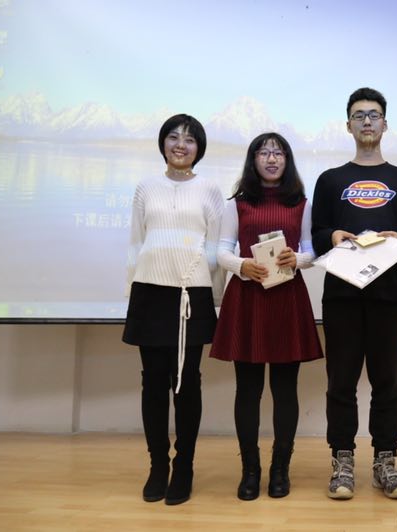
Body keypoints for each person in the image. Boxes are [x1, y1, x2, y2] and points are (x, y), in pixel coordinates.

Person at [311, 88, 397, 500]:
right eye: (359, 115)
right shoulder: (330, 180)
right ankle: (342, 461)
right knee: (340, 380)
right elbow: (316, 235)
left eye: (374, 115)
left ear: (385, 124)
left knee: (387, 380)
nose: (368, 121)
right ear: (348, 126)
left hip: (389, 295)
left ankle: (385, 462)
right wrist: (334, 235)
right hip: (342, 294)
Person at [210, 132, 323, 501]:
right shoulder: (238, 203)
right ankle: (250, 470)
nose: (272, 159)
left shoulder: (301, 203)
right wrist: (242, 266)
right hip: (247, 298)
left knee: (285, 390)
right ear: (253, 160)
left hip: (287, 298)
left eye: (278, 153)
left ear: (287, 160)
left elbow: (312, 250)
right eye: (264, 152)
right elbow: (222, 251)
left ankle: (279, 469)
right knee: (247, 390)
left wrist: (298, 258)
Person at [123, 113, 225, 505]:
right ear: (163, 143)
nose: (181, 145)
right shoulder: (145, 187)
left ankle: (184, 467)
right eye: (173, 137)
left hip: (191, 294)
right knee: (152, 382)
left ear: (199, 148)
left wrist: (210, 295)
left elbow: (214, 250)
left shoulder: (210, 189)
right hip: (150, 292)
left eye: (189, 139)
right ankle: (157, 466)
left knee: (186, 383)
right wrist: (132, 290)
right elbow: (135, 243)